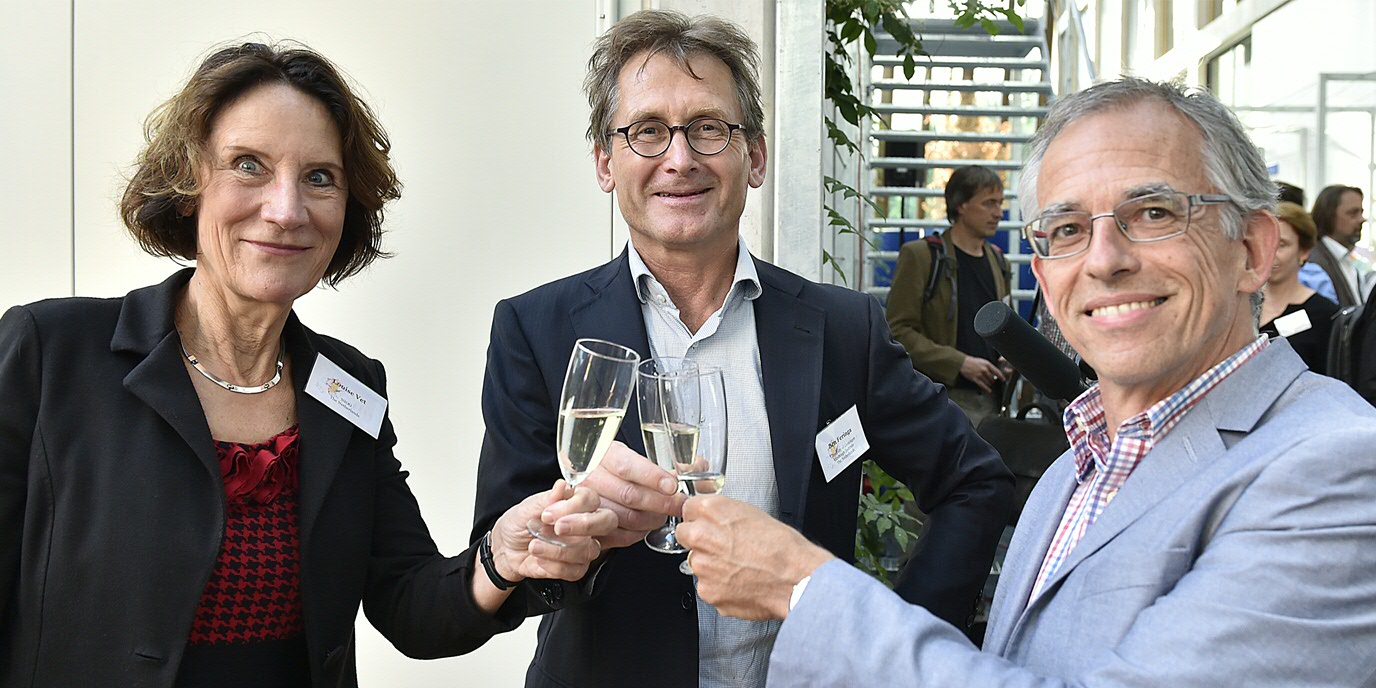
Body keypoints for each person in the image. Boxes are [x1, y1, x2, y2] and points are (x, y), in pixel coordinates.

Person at [676, 77, 1376, 686]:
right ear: (1044, 277)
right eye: (1067, 229)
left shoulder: (1338, 465)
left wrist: (804, 590)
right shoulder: (1077, 466)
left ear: (1252, 250)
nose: (1103, 260)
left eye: (1154, 213)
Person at [0, 42, 615, 688]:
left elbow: (410, 604)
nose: (286, 209)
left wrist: (501, 557)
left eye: (319, 177)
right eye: (248, 166)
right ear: (189, 185)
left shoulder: (347, 384)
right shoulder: (50, 354)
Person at [469, 10, 1013, 688]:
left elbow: (976, 482)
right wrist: (561, 538)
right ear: (606, 163)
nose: (680, 157)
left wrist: (894, 641)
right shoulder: (536, 330)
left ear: (754, 156)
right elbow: (504, 561)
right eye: (646, 132)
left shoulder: (842, 329)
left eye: (708, 128)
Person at [885, 164, 1013, 424]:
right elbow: (897, 331)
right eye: (988, 203)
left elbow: (1003, 327)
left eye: (1000, 203)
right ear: (961, 205)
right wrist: (959, 363)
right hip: (940, 400)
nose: (998, 213)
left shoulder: (999, 262)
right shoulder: (921, 256)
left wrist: (1010, 357)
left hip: (991, 404)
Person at [1259, 202, 1338, 371]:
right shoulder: (1242, 306)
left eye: (1281, 245)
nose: (1270, 253)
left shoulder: (1325, 315)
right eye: (1265, 243)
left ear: (1304, 251)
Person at [1303, 184, 1368, 307]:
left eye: (1361, 212)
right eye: (1353, 213)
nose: (1361, 219)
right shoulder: (1313, 261)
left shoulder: (1346, 258)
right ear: (1329, 216)